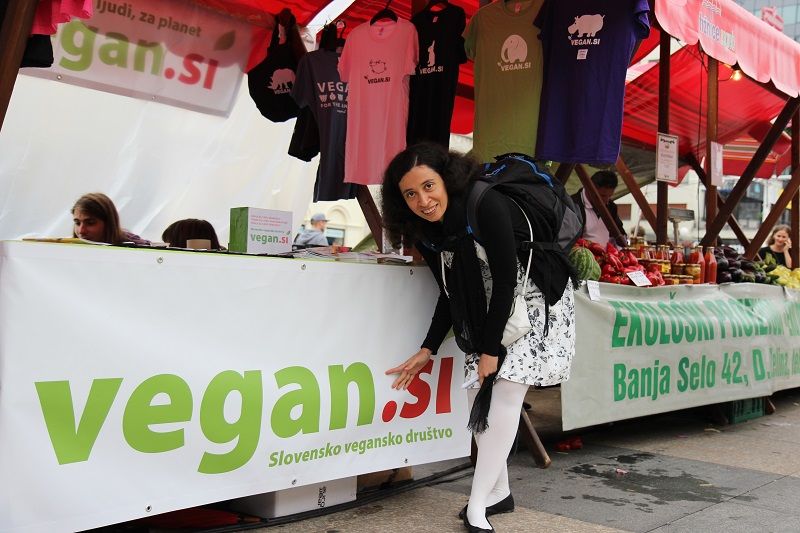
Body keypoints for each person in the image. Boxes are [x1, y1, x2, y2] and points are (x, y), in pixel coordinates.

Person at [381, 143, 576, 533]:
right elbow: (447, 292)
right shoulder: (425, 231)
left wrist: (491, 351)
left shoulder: (483, 202)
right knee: (477, 397)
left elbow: (506, 279)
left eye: (429, 186)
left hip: (532, 298)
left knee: (503, 393)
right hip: (484, 306)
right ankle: (499, 491)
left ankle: (476, 506)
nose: (423, 200)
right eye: (411, 194)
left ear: (446, 179)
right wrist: (427, 348)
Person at [571, 170, 626, 246]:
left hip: (607, 256)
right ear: (589, 189)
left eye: (609, 196)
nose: (606, 201)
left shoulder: (611, 207)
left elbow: (621, 233)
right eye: (602, 195)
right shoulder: (572, 204)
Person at [71, 193, 149, 245]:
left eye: (90, 223)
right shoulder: (66, 249)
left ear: (109, 223)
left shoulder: (136, 250)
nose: (81, 231)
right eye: (77, 223)